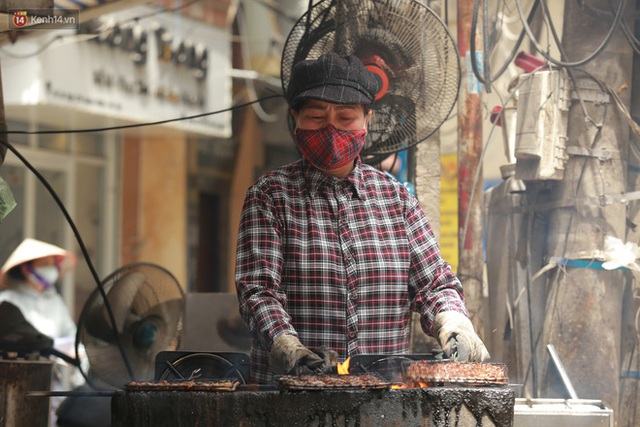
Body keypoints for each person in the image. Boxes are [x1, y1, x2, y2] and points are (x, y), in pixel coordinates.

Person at [235, 52, 490, 384]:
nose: (330, 129)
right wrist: (286, 344)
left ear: (367, 120)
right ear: (295, 118)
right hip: (288, 399)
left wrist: (453, 322)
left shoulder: (397, 199)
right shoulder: (269, 197)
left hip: (381, 403)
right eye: (315, 116)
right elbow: (258, 291)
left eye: (345, 118)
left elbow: (434, 284)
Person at [0, 238, 85, 425]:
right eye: (45, 264)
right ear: (26, 269)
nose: (51, 268)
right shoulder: (7, 302)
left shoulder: (55, 302)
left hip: (51, 378)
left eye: (53, 264)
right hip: (13, 376)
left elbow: (71, 335)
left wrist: (76, 353)